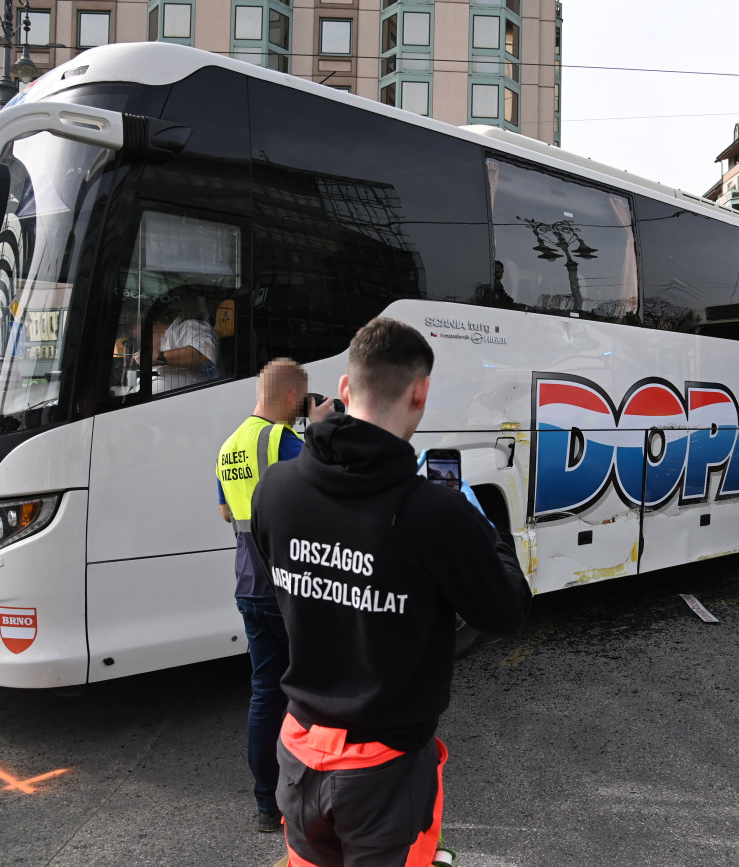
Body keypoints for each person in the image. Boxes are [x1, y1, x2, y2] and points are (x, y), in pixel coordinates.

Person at [251, 317, 531, 866]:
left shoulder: (275, 490)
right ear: (420, 393)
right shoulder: (438, 513)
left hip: (299, 752)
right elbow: (508, 612)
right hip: (384, 771)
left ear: (345, 389)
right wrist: (482, 525)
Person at [217, 358, 336, 833]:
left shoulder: (229, 446)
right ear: (292, 398)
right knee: (314, 694)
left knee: (265, 694)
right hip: (288, 588)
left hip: (248, 585)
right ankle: (311, 802)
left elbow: (228, 513)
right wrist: (322, 431)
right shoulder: (285, 442)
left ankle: (267, 806)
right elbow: (324, 494)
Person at [154, 296, 221, 393]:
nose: (134, 332)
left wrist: (158, 358)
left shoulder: (190, 327)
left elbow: (206, 356)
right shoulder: (157, 342)